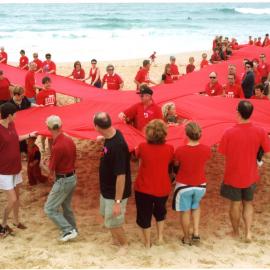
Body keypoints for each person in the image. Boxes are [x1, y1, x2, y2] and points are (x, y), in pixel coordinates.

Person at [219, 101, 270, 242]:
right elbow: (268, 153)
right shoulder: (260, 131)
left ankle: (236, 232)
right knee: (248, 203)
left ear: (238, 112)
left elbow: (222, 152)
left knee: (235, 204)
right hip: (251, 174)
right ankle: (248, 233)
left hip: (233, 174)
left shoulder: (229, 132)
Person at [93, 112, 131, 253]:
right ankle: (116, 240)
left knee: (114, 221)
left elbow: (121, 176)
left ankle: (124, 245)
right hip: (106, 189)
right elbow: (111, 138)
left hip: (115, 193)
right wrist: (102, 139)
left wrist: (117, 202)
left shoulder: (117, 147)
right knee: (105, 216)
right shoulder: (113, 134)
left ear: (97, 127)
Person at [134, 119, 174, 248]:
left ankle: (147, 242)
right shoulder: (169, 148)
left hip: (144, 187)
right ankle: (160, 238)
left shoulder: (142, 147)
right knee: (160, 213)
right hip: (162, 187)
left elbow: (136, 156)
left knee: (144, 215)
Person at [0, 102, 37, 237]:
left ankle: (16, 221)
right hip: (4, 171)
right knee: (12, 199)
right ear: (9, 115)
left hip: (16, 167)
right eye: (15, 113)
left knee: (17, 197)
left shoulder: (12, 124)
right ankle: (3, 225)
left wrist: (29, 135)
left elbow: (16, 138)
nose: (16, 115)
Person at [173, 122, 211, 245]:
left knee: (185, 211)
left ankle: (186, 237)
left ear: (186, 135)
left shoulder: (180, 150)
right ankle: (196, 233)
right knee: (196, 206)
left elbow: (176, 165)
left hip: (184, 185)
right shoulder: (206, 149)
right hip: (200, 185)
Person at [43, 115, 78, 242]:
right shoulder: (69, 140)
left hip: (63, 180)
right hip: (72, 177)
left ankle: (67, 230)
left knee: (49, 208)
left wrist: (42, 165)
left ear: (48, 128)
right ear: (61, 126)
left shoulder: (57, 146)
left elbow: (49, 172)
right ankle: (73, 229)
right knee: (66, 206)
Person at [36, 76, 57, 152]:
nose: (48, 84)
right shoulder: (40, 94)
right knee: (44, 134)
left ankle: (51, 150)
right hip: (45, 117)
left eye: (49, 82)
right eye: (46, 83)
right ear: (43, 84)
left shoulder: (53, 91)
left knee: (51, 135)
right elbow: (39, 107)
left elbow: (55, 102)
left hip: (53, 116)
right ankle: (43, 146)